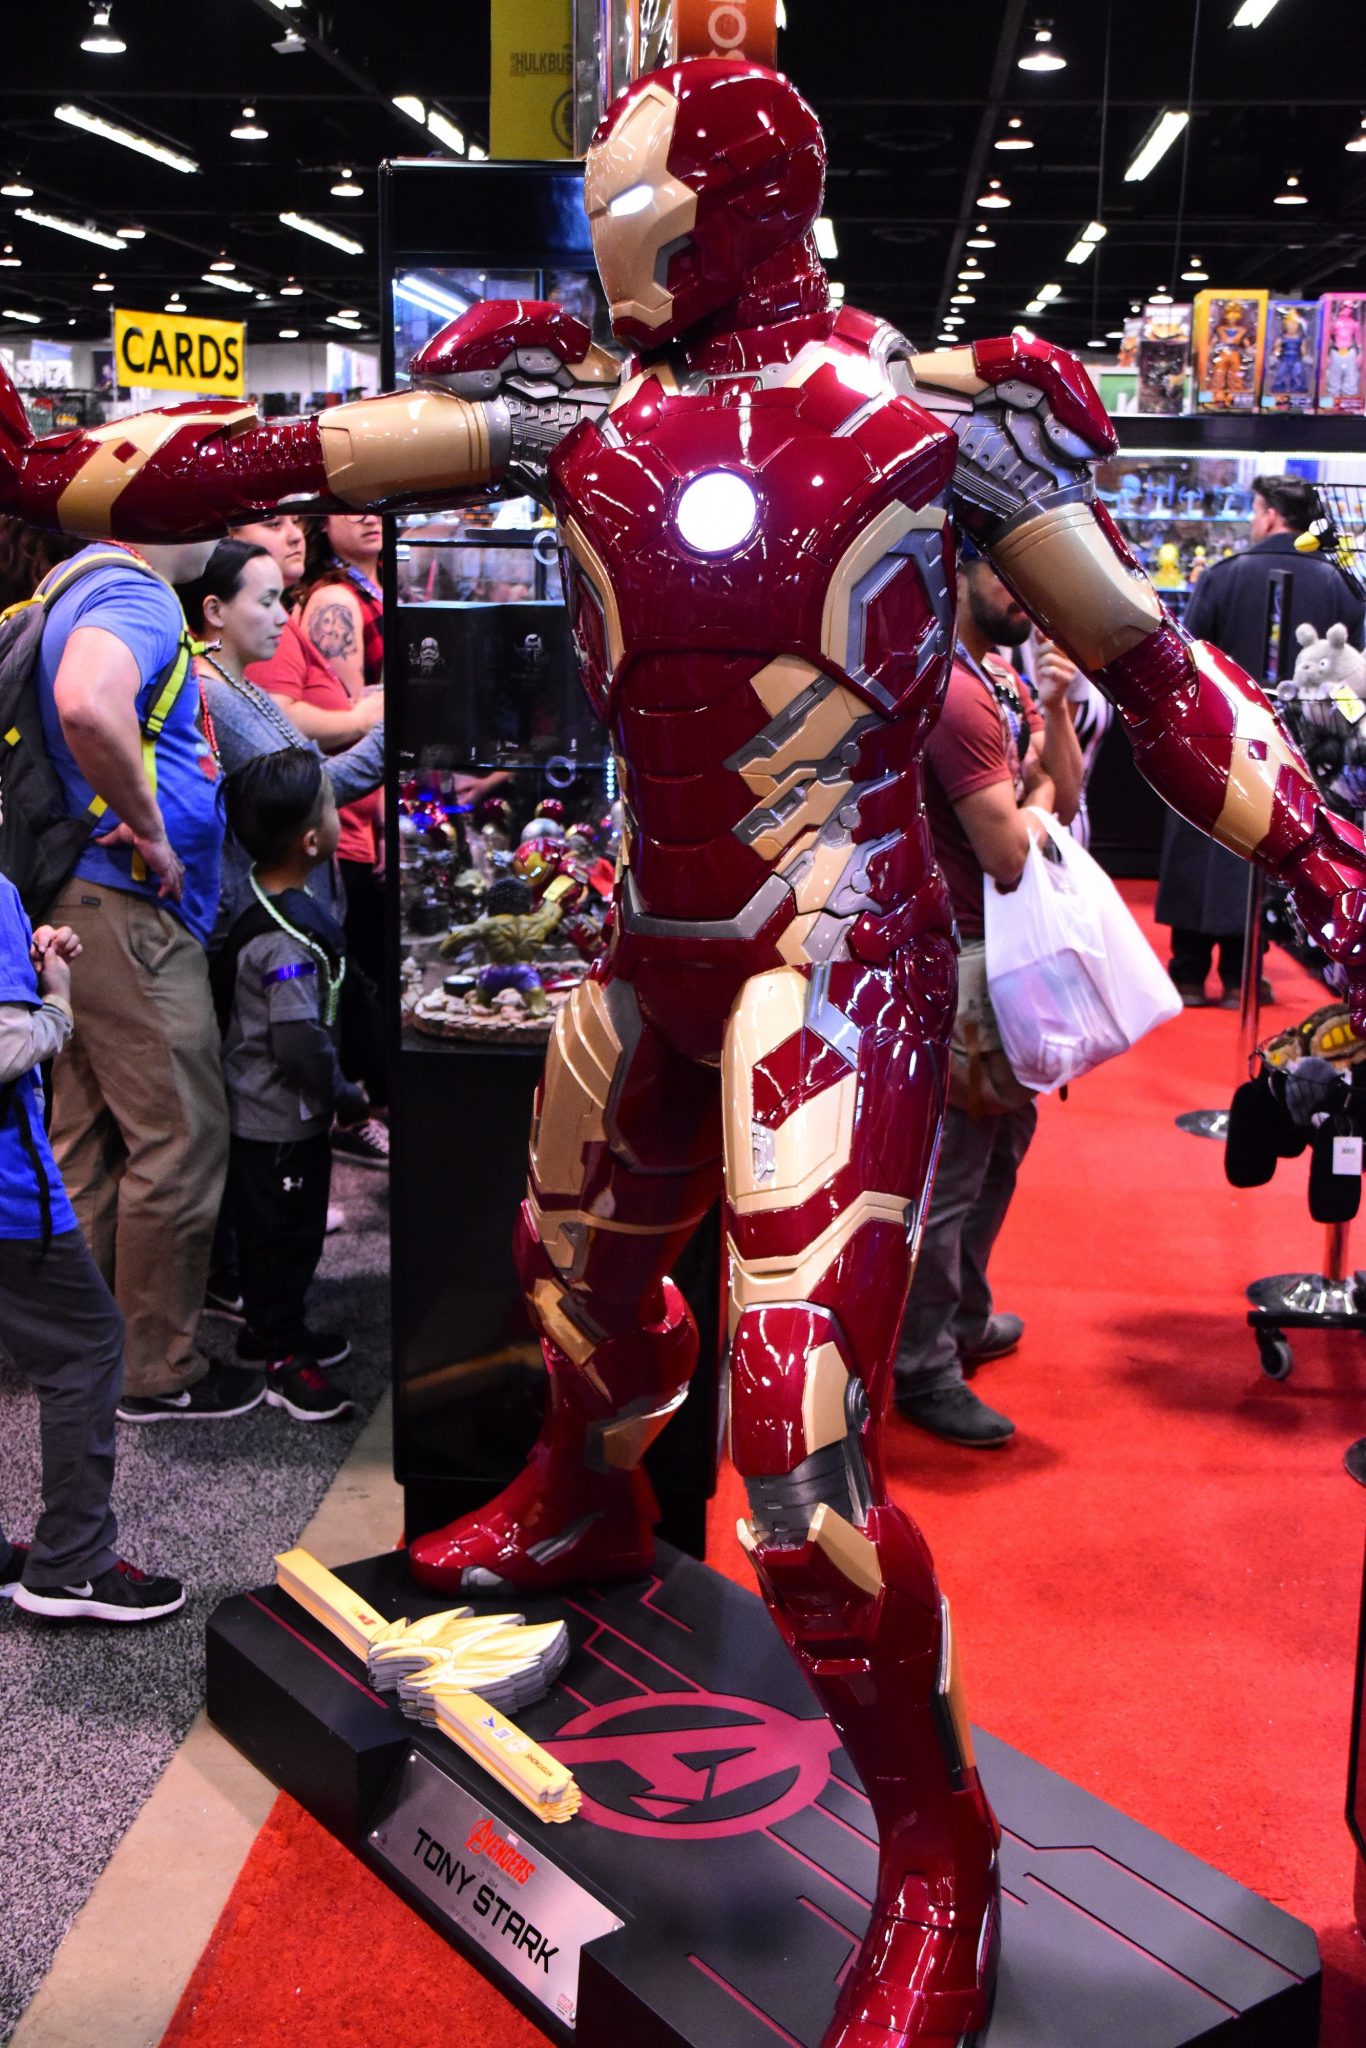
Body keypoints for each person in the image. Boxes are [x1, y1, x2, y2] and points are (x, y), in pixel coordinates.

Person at [31, 537, 261, 1422]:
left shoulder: (70, 582)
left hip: (83, 904)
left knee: (86, 1140)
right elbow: (87, 706)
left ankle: (82, 1352)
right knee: (179, 1138)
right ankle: (156, 1369)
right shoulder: (136, 591)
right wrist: (152, 828)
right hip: (127, 906)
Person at [893, 552, 1082, 1448]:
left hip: (1003, 951)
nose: (1023, 592)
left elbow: (1062, 798)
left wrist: (1056, 711)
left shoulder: (997, 677)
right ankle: (921, 1366)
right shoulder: (958, 693)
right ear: (959, 572)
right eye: (1004, 573)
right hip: (963, 957)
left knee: (1003, 1143)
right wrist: (1031, 804)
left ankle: (961, 1321)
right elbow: (1008, 850)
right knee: (956, 1171)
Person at [0, 779, 188, 1620]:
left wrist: (27, 956)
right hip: (9, 1195)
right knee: (86, 1348)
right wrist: (57, 1000)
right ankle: (73, 1565)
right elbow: (7, 1046)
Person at [1157, 476, 1366, 1005]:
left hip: (1217, 737)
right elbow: (1354, 678)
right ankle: (1241, 975)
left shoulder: (1224, 575)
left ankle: (1187, 970)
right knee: (1278, 848)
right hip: (1304, 747)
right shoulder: (1342, 585)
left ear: (1270, 514)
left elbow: (1185, 660)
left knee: (1202, 838)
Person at [216, 748, 362, 1422]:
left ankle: (272, 1330)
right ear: (311, 841)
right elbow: (297, 1040)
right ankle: (281, 1359)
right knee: (282, 1239)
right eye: (331, 808)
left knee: (282, 1232)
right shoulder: (286, 943)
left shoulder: (268, 903)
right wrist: (342, 1093)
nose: (337, 816)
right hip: (275, 1122)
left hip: (279, 1118)